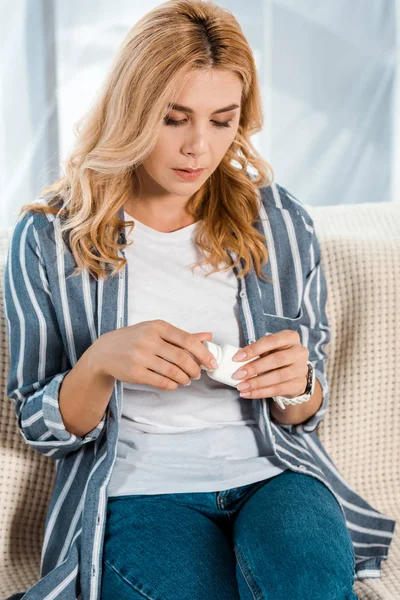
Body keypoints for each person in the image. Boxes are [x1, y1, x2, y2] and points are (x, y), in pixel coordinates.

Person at [4, 1, 396, 599]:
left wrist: (297, 382)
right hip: (137, 490)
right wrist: (100, 361)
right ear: (130, 109)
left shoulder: (278, 222)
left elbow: (305, 410)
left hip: (277, 476)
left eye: (222, 120)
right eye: (174, 117)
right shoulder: (50, 237)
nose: (198, 148)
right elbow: (38, 423)